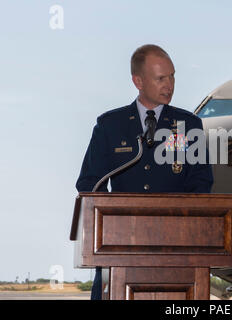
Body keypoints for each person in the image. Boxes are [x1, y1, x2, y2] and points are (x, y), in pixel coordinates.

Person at [75, 44, 213, 300]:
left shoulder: (186, 125)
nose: (169, 84)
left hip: (176, 248)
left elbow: (201, 182)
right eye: (161, 78)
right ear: (138, 81)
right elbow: (89, 182)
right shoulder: (110, 125)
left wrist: (181, 223)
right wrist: (112, 220)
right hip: (119, 244)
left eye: (172, 76)